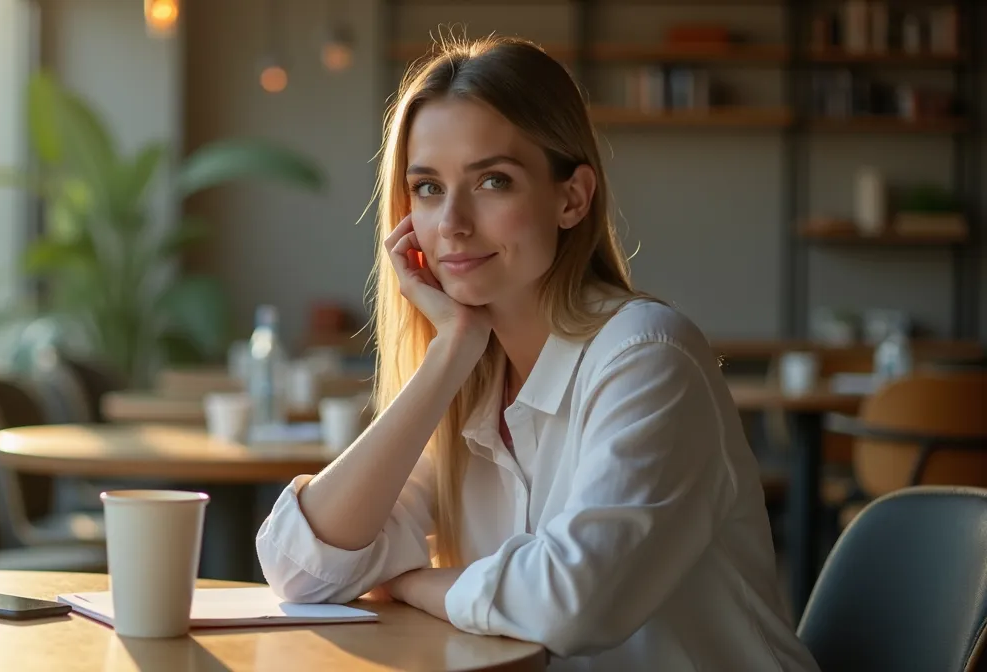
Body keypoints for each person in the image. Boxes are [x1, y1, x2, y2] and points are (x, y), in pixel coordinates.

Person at [254, 36, 819, 671]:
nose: (453, 224)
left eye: (493, 181)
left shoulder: (648, 358)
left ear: (572, 198)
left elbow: (571, 603)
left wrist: (411, 582)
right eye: (428, 188)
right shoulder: (471, 380)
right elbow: (301, 571)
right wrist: (449, 355)